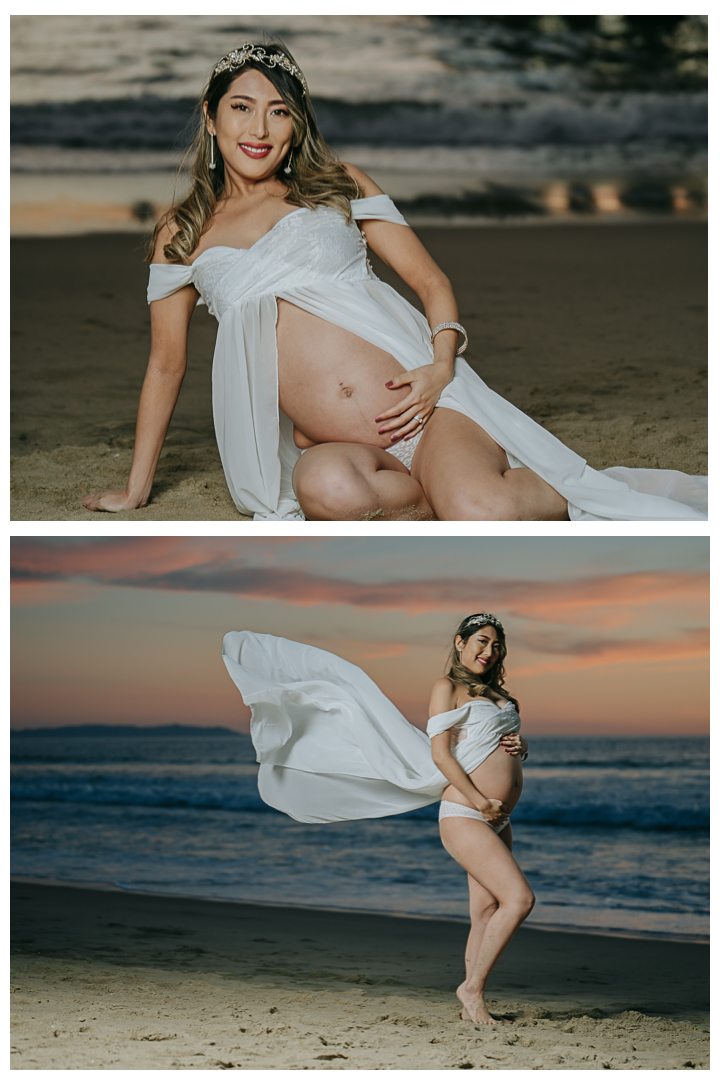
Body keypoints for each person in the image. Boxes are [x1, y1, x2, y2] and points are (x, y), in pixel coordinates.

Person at [83, 41, 707, 521]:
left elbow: (430, 283)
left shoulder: (339, 184)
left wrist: (440, 369)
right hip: (341, 450)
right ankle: (450, 494)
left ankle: (536, 486)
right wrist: (137, 488)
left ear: (296, 124)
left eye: (279, 112)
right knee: (322, 486)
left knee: (479, 514)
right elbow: (166, 366)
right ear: (211, 117)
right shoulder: (182, 231)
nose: (259, 130)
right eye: (241, 108)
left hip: (430, 413)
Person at [222, 612, 533, 1025]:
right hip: (467, 812)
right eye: (480, 641)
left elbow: (491, 745)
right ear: (460, 643)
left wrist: (521, 745)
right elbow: (440, 753)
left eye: (495, 645)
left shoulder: (499, 694)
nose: (488, 651)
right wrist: (480, 800)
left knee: (485, 910)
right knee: (519, 899)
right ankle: (471, 990)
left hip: (496, 817)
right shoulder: (449, 687)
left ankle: (469, 1008)